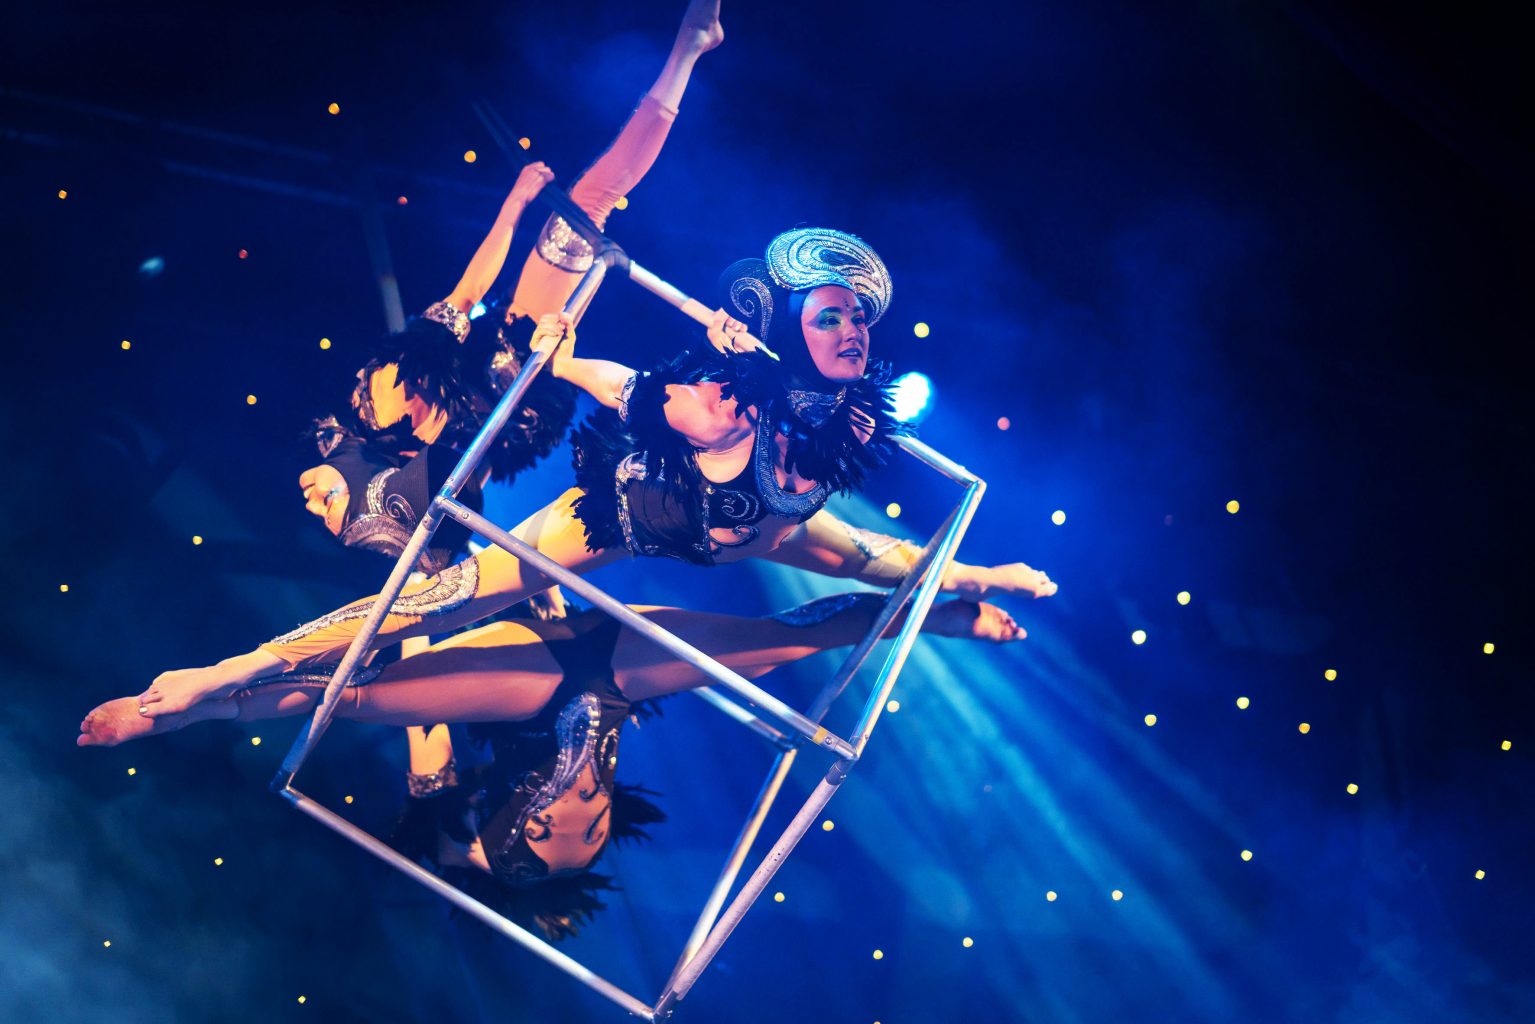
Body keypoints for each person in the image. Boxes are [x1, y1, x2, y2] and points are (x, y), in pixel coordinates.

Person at [133, 227, 1058, 718]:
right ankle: (230, 670)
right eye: (828, 317)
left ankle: (970, 582)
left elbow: (838, 506)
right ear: (784, 330)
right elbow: (628, 389)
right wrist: (562, 357)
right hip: (628, 517)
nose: (851, 330)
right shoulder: (720, 403)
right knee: (440, 602)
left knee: (879, 558)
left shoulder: (850, 414)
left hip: (762, 526)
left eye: (856, 316)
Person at [79, 593, 1024, 938]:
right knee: (784, 643)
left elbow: (387, 726)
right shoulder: (539, 845)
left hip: (535, 685)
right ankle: (195, 701)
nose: (576, 801)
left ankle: (196, 704)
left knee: (367, 699)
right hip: (598, 682)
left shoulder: (461, 822)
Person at [298, 0, 726, 571]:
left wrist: (515, 202)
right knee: (590, 212)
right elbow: (452, 518)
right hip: (525, 392)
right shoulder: (413, 469)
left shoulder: (383, 395)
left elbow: (467, 292)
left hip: (508, 340)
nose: (310, 500)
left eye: (320, 501)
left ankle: (689, 46)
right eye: (327, 508)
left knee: (589, 206)